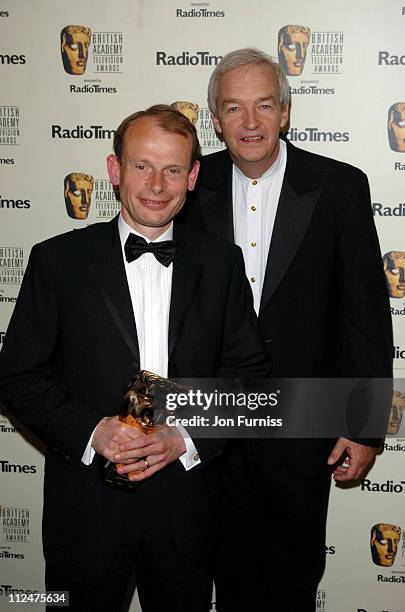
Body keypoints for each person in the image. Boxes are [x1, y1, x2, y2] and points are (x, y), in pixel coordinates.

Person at [0, 104, 269, 612]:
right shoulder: (56, 261)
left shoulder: (222, 264)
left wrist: (183, 435)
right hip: (86, 506)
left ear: (193, 177)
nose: (157, 184)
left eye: (173, 169)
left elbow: (248, 379)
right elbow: (17, 375)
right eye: (142, 165)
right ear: (114, 169)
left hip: (186, 507)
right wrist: (92, 431)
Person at [180, 48, 393, 611]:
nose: (250, 123)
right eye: (233, 108)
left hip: (307, 417)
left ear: (286, 112)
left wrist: (364, 423)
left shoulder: (339, 186)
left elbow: (365, 313)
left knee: (294, 573)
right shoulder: (185, 189)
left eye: (264, 105)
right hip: (214, 414)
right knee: (227, 571)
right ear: (215, 118)